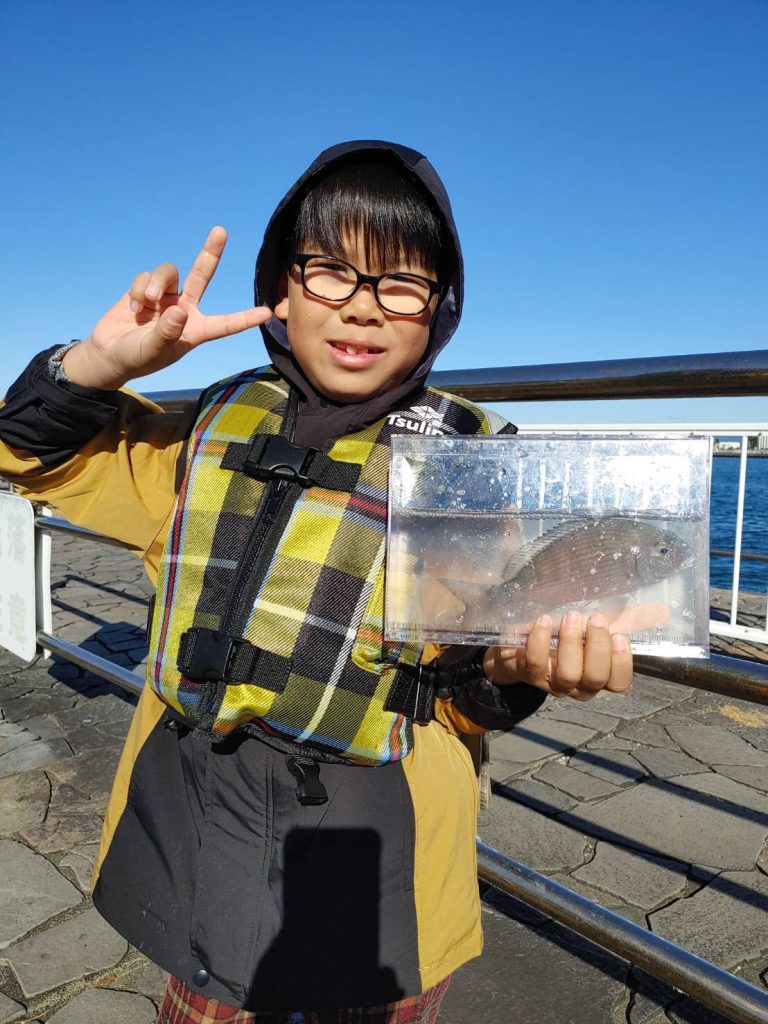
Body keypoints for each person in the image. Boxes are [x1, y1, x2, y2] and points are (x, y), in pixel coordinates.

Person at [0, 141, 632, 1024]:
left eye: (401, 283)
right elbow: (34, 455)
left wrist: (518, 675)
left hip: (383, 857)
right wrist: (102, 366)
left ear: (440, 309)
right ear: (282, 288)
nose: (363, 309)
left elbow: (459, 696)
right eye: (331, 271)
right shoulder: (206, 431)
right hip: (197, 827)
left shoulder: (466, 468)